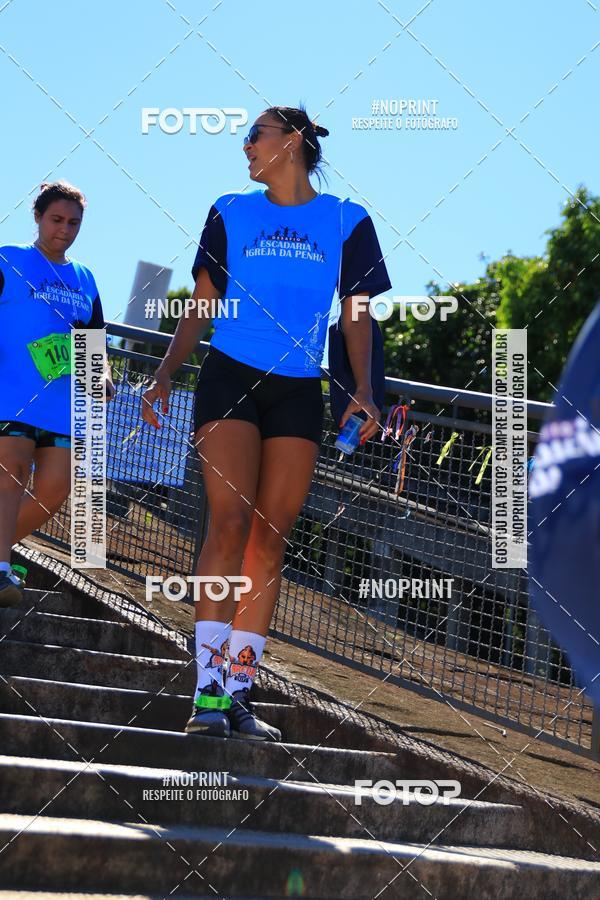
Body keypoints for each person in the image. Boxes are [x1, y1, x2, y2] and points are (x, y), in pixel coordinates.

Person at [142, 105, 392, 740]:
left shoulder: (348, 220)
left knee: (269, 541)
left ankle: (238, 688)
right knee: (227, 524)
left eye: (255, 135)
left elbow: (356, 312)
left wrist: (363, 390)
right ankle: (206, 694)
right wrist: (168, 370)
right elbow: (204, 300)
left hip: (298, 390)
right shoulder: (230, 209)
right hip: (230, 374)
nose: (246, 146)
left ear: (294, 142)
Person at [0, 181, 114, 606]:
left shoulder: (86, 279)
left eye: (74, 223)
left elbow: (95, 343)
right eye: (57, 220)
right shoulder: (8, 259)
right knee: (11, 474)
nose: (64, 230)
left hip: (62, 405)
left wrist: (101, 373)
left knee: (54, 490)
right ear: (38, 218)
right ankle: (1, 570)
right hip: (10, 392)